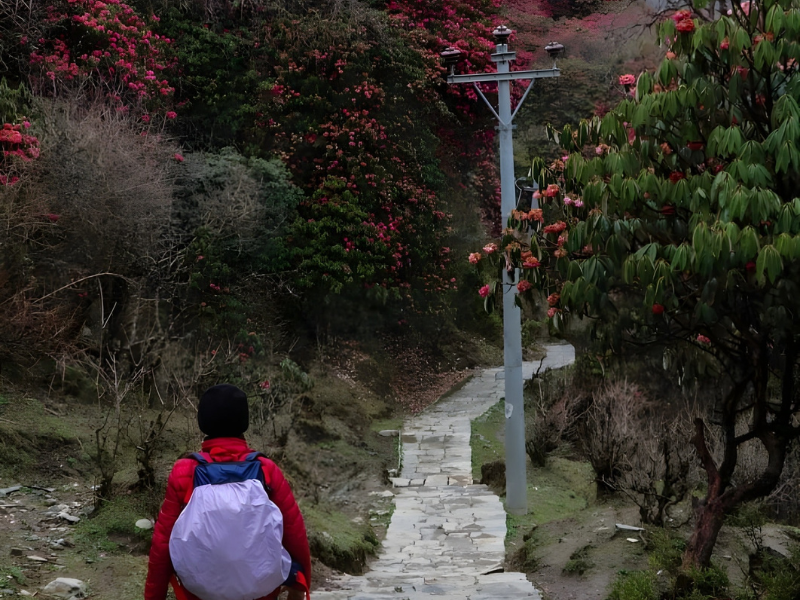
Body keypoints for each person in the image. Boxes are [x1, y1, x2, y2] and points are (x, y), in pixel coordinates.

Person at [144, 384, 311, 600]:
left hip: (198, 593)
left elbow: (163, 543)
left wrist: (153, 596)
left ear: (203, 422)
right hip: (259, 593)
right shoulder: (266, 470)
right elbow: (295, 535)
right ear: (244, 421)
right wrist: (302, 584)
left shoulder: (185, 471)